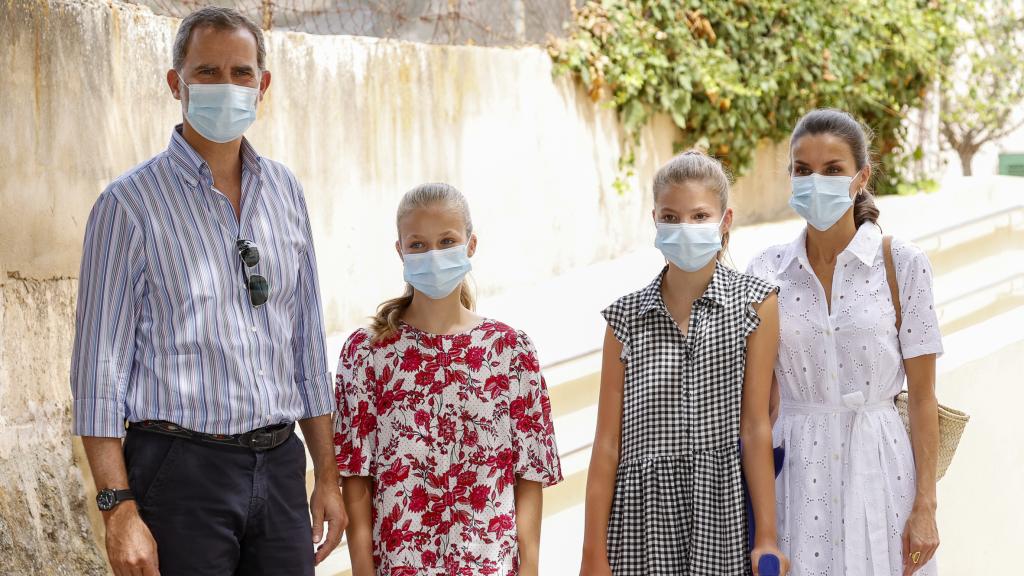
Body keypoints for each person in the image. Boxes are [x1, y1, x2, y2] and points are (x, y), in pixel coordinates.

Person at [70, 8, 346, 575]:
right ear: (177, 83)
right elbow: (99, 372)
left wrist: (327, 474)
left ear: (262, 86)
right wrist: (118, 510)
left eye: (241, 73)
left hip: (279, 466)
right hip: (179, 473)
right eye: (208, 72)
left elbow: (307, 346)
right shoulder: (128, 206)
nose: (226, 86)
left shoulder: (286, 192)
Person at [746, 108, 942, 576]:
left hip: (883, 470)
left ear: (861, 177)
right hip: (796, 479)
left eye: (832, 169)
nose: (816, 181)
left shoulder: (903, 264)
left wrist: (926, 506)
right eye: (802, 170)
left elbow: (923, 398)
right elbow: (758, 401)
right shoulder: (765, 271)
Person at [334, 183, 563, 576]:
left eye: (447, 241)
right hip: (401, 565)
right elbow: (356, 481)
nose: (433, 255)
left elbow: (529, 475)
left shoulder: (510, 350)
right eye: (419, 244)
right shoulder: (367, 353)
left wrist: (531, 568)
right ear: (400, 251)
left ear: (471, 245)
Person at [580, 151, 788, 575]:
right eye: (671, 217)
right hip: (640, 522)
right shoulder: (624, 319)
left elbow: (755, 426)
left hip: (723, 514)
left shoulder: (756, 305)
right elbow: (606, 445)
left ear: (725, 220)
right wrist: (592, 553)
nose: (685, 228)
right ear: (654, 220)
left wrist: (767, 535)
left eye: (699, 216)